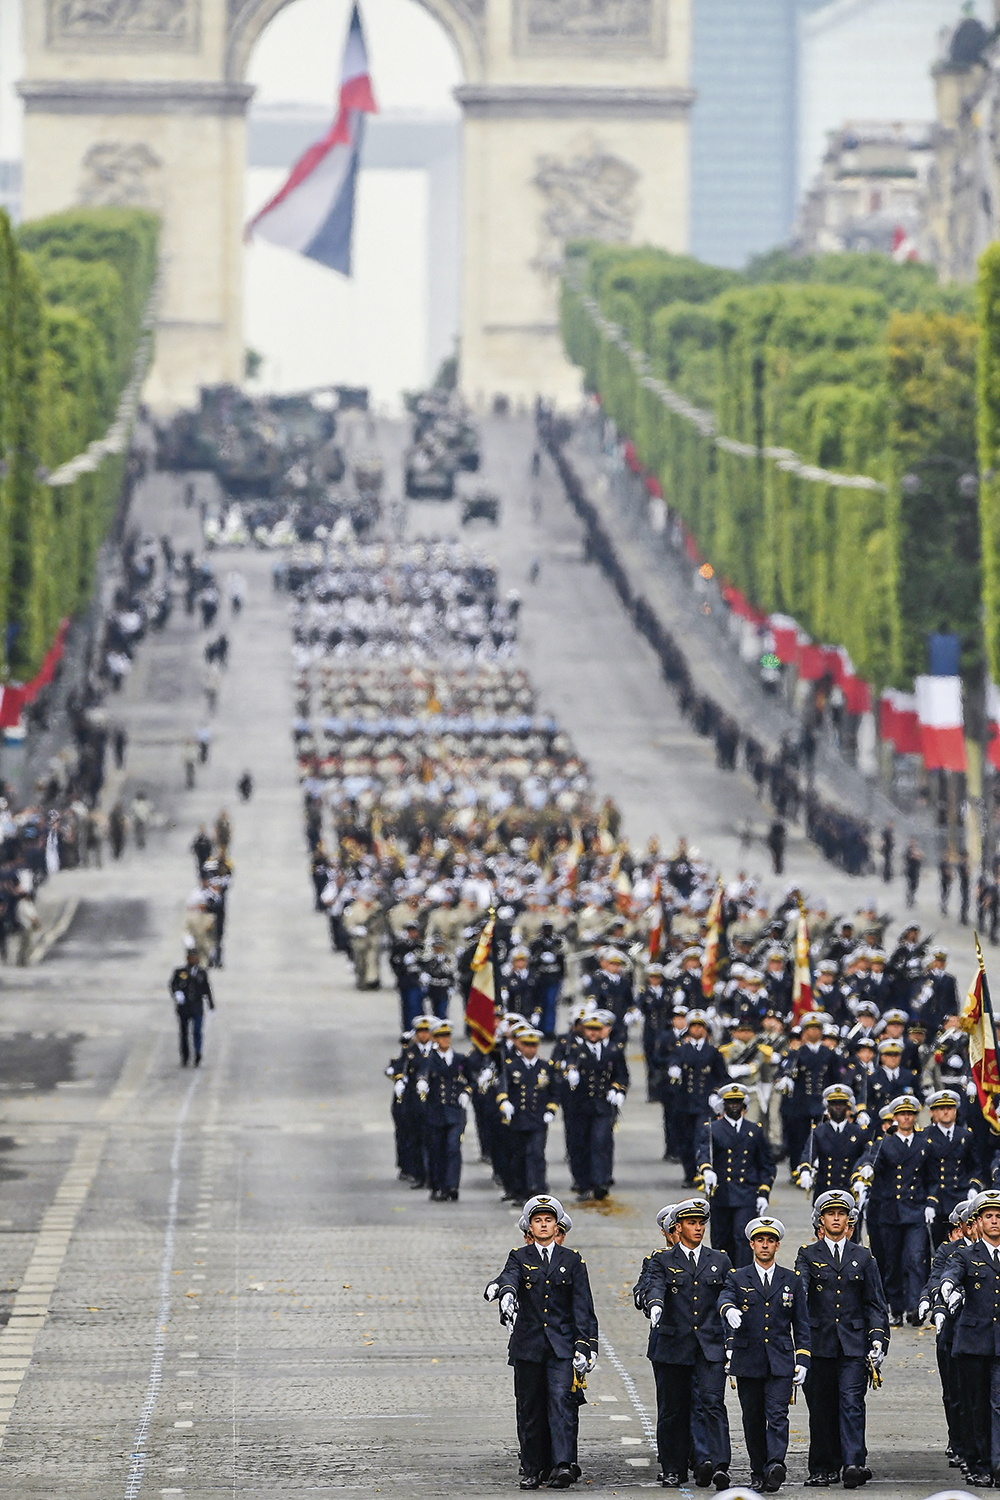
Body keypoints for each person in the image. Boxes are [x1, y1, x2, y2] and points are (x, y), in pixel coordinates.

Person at [486, 1194, 598, 1490]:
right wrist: (506, 1293)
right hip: (529, 1345)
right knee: (530, 1407)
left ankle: (562, 1464)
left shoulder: (572, 1260)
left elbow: (583, 1307)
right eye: (538, 1220)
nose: (544, 1225)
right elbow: (509, 1276)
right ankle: (533, 1468)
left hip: (561, 1345)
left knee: (562, 1402)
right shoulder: (519, 1257)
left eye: (549, 1220)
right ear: (529, 1228)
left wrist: (587, 1345)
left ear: (557, 1224)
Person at [795, 1190, 888, 1488]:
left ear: (850, 1220)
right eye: (830, 1214)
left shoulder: (863, 1256)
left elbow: (875, 1303)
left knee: (851, 1403)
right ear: (820, 1220)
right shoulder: (808, 1255)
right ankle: (822, 1467)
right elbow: (801, 1290)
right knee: (821, 1408)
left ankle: (852, 1462)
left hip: (852, 1344)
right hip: (819, 1344)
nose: (836, 1218)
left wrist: (877, 1340)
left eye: (841, 1214)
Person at [644, 1197, 733, 1489]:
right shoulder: (662, 1259)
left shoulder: (719, 1260)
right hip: (673, 1345)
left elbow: (727, 1294)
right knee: (673, 1409)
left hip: (709, 1345)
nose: (698, 1228)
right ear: (677, 1227)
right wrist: (655, 1304)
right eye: (691, 1223)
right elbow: (654, 1284)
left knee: (712, 1403)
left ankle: (719, 1465)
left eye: (701, 1223)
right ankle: (673, 1468)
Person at [718, 1216, 810, 1493]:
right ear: (751, 1244)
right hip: (749, 1359)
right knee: (753, 1417)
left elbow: (801, 1323)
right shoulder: (738, 1276)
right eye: (760, 1241)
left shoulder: (791, 1280)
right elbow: (724, 1297)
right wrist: (729, 1310)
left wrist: (803, 1358)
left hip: (781, 1359)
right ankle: (758, 1470)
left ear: (777, 1245)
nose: (765, 1246)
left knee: (778, 1414)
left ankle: (775, 1464)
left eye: (770, 1241)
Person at [940, 1190, 1000, 1487]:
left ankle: (997, 1463)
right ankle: (979, 1464)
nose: (994, 1221)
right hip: (974, 1342)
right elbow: (952, 1271)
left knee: (998, 1405)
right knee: (976, 1405)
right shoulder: (966, 1254)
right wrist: (949, 1287)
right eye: (988, 1216)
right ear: (977, 1222)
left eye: (999, 1216)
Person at [860, 1093, 932, 1326]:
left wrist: (931, 1202)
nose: (906, 1118)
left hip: (915, 1208)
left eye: (910, 1114)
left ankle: (914, 1306)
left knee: (915, 1258)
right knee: (891, 1262)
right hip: (890, 1210)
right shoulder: (884, 1142)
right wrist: (867, 1170)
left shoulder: (923, 1143)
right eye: (901, 1115)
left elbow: (930, 1177)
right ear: (895, 1118)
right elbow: (870, 1159)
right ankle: (896, 1307)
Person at [696, 1082, 775, 1266]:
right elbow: (703, 1153)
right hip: (721, 1192)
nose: (734, 1106)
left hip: (747, 1193)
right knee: (721, 1240)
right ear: (723, 1105)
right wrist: (706, 1169)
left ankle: (742, 1279)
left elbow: (766, 1165)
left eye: (738, 1102)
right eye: (730, 1102)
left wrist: (764, 1193)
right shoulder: (712, 1129)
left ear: (744, 1105)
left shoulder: (754, 1130)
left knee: (743, 1238)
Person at [561, 1011, 628, 1201]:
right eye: (589, 1029)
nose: (592, 1033)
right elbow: (568, 1064)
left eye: (596, 1030)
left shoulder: (613, 1051)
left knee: (600, 1142)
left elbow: (622, 1075)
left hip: (602, 1105)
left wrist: (618, 1090)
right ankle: (583, 1184)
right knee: (579, 1145)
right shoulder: (576, 1050)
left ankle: (600, 1182)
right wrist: (570, 1073)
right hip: (580, 1105)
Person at [496, 1027, 558, 1201]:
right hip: (518, 1119)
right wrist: (504, 1102)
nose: (530, 1049)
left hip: (538, 1118)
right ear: (520, 1046)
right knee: (518, 1156)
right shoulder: (511, 1066)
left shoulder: (546, 1067)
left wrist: (551, 1110)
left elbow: (554, 1092)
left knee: (536, 1153)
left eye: (533, 1045)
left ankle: (538, 1188)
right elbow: (502, 1087)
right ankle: (520, 1190)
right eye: (526, 1045)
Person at [417, 1020, 472, 1202]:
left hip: (455, 1112)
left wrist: (466, 1092)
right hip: (436, 1111)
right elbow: (422, 1074)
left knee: (453, 1148)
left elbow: (471, 1079)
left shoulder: (459, 1059)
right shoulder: (429, 1060)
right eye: (441, 1036)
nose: (445, 1039)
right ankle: (437, 1186)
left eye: (447, 1036)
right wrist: (422, 1083)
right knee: (436, 1150)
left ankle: (452, 1185)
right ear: (434, 1038)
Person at [169, 943, 215, 1067]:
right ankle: (185, 1056)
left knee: (197, 1031)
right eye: (192, 957)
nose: (195, 959)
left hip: (197, 1007)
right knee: (184, 1032)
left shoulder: (201, 973)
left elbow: (207, 990)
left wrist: (211, 1006)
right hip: (184, 1008)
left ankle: (198, 1053)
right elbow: (173, 985)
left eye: (196, 957)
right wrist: (177, 993)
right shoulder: (180, 972)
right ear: (187, 958)